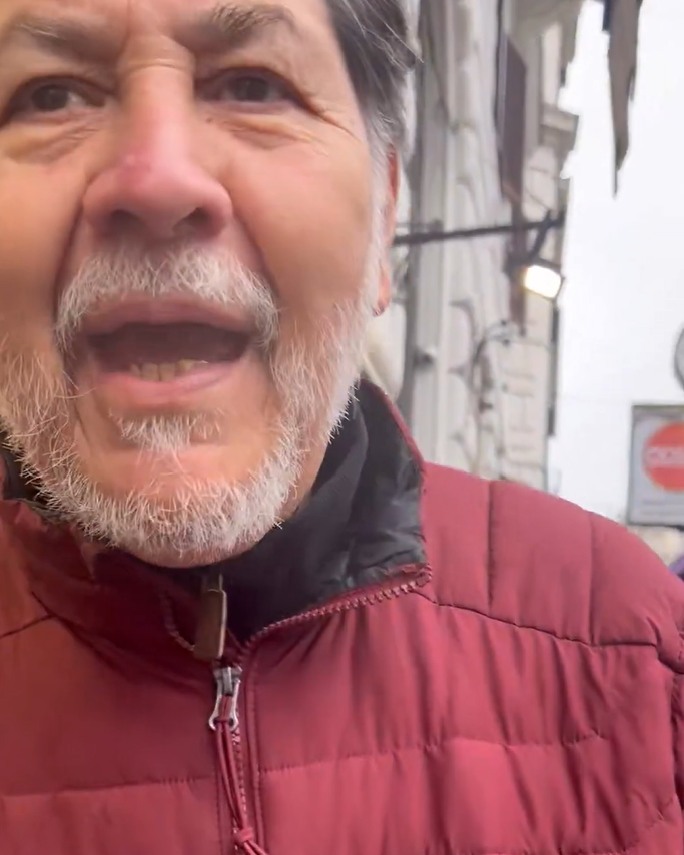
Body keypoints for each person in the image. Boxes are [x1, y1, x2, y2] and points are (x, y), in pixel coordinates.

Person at [0, 0, 683, 852]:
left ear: (384, 211)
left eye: (254, 85)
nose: (155, 180)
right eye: (52, 96)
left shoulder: (633, 657)